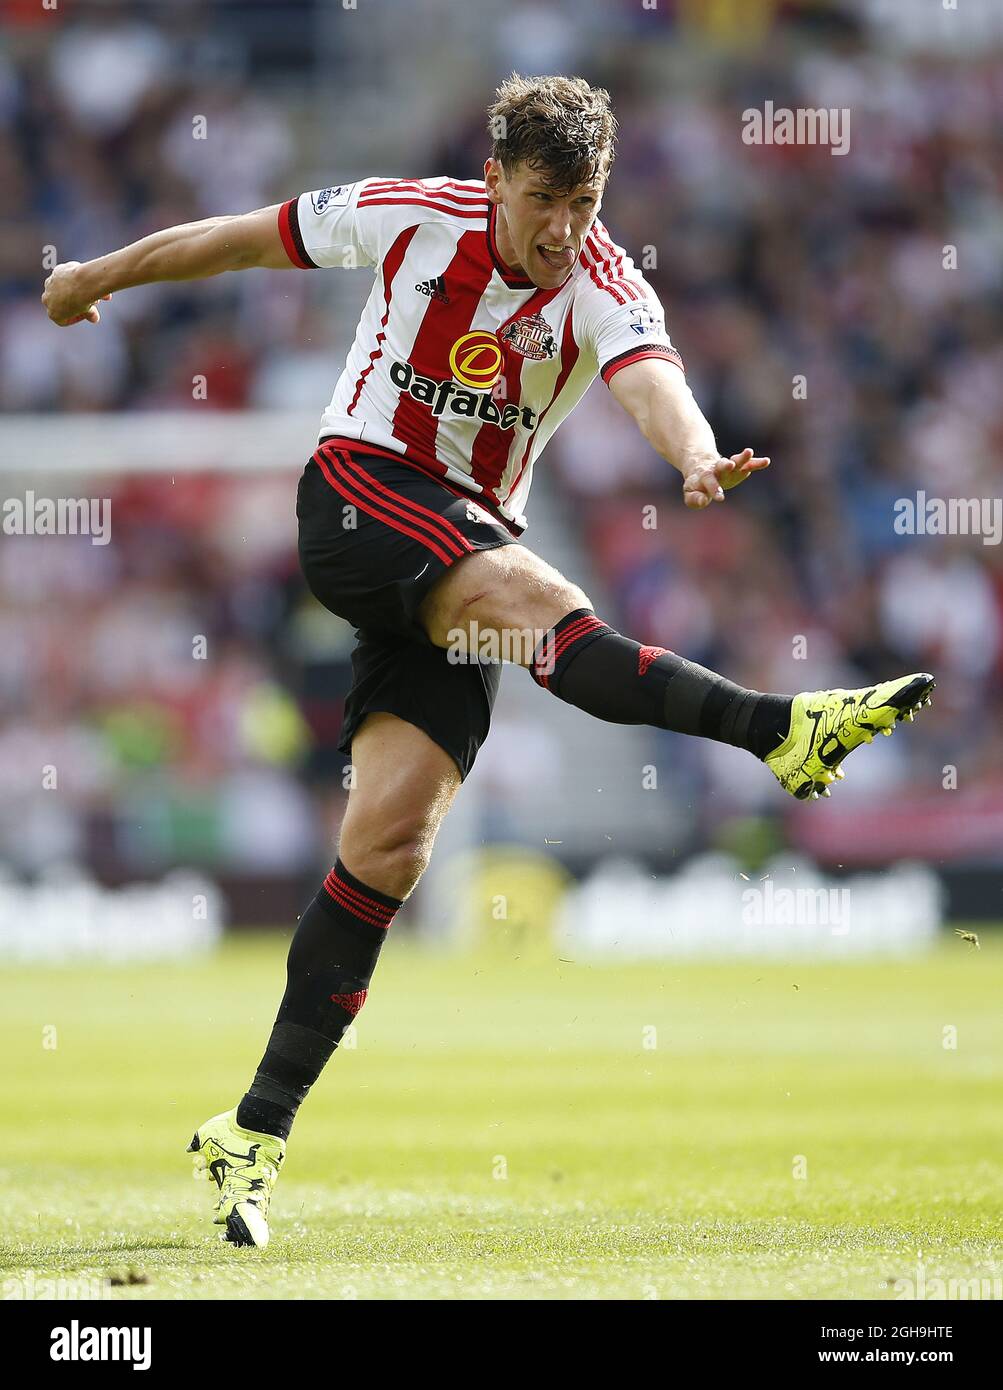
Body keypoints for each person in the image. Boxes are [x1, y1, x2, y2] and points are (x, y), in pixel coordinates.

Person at [42, 73, 934, 1248]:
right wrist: (95, 275)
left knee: (390, 844)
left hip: (462, 550)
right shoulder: (415, 213)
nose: (566, 225)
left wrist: (697, 452)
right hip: (361, 498)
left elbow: (647, 376)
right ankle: (780, 729)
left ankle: (248, 1133)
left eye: (588, 198)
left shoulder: (606, 279)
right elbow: (241, 239)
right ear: (498, 176)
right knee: (534, 595)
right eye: (547, 197)